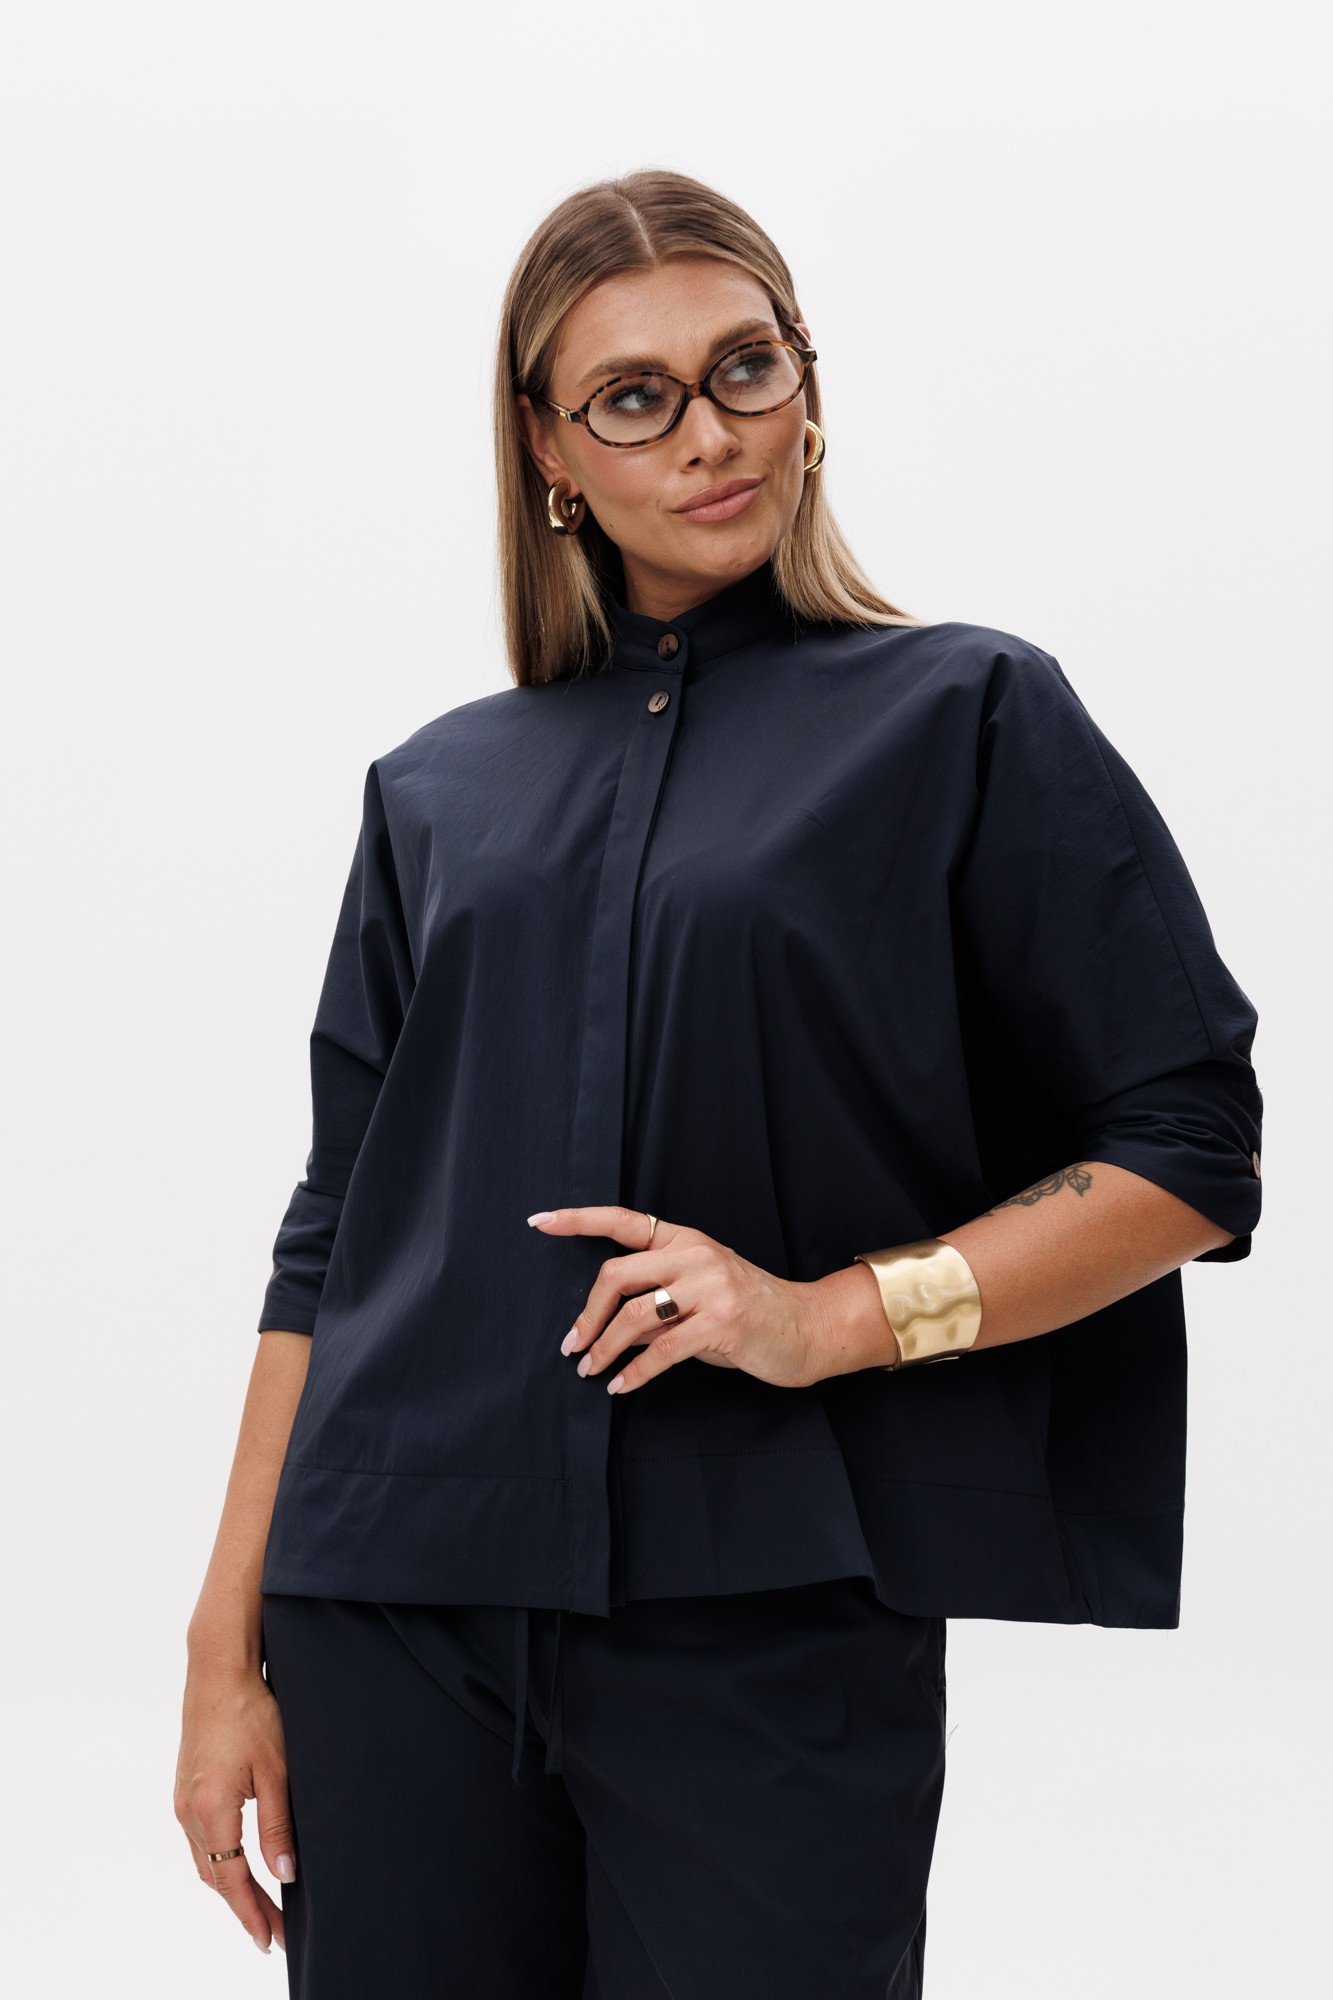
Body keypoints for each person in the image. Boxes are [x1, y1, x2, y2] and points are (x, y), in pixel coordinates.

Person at [174, 168, 1264, 1997]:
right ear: (547, 448)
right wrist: (224, 1656)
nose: (708, 432)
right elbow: (332, 1235)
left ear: (805, 385)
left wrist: (831, 1316)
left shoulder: (967, 714)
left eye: (746, 366)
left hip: (766, 1613)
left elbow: (1186, 1147)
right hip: (391, 1606)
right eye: (634, 396)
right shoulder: (434, 787)